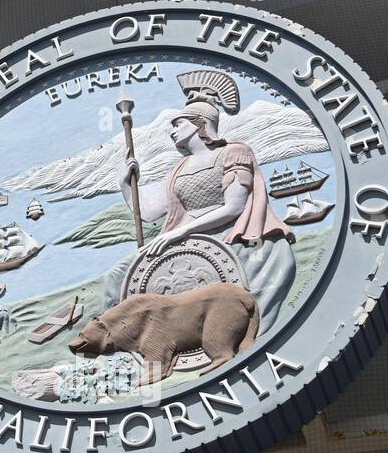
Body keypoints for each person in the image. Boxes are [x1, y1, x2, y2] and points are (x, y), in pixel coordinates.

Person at [113, 70, 296, 331]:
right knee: (120, 274)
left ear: (200, 123)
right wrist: (125, 184)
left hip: (223, 233)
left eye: (178, 124)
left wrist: (182, 231)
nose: (172, 131)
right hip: (180, 236)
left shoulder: (234, 152)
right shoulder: (179, 168)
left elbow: (234, 207)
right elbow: (150, 213)